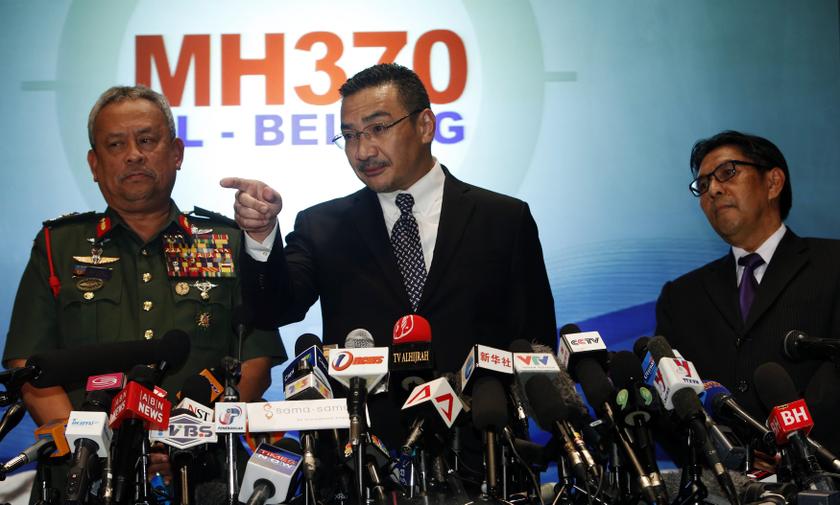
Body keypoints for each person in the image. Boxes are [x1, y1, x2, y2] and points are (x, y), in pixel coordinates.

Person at [222, 63, 556, 445]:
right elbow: (277, 309)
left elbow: (534, 343)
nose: (363, 151)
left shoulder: (503, 219)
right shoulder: (322, 225)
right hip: (363, 460)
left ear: (425, 126)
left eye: (378, 128)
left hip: (486, 450)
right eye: (349, 135)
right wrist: (262, 235)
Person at [2, 85, 286, 499]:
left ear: (177, 153)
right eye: (116, 144)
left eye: (147, 140)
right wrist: (93, 448)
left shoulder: (225, 240)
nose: (133, 154)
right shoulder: (57, 246)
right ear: (94, 164)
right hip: (86, 480)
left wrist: (190, 439)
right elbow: (29, 363)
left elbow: (256, 361)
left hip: (206, 474)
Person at [655, 130, 840, 451]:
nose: (712, 189)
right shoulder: (681, 297)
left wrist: (792, 449)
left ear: (773, 183)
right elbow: (669, 399)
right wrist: (727, 454)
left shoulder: (833, 264)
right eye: (702, 184)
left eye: (727, 172)